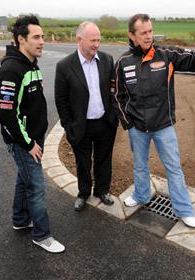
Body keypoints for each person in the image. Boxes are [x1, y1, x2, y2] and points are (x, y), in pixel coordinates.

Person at [113, 13, 195, 228]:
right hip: (138, 128)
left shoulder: (166, 54)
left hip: (163, 126)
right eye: (143, 33)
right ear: (132, 36)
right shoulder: (123, 62)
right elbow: (117, 96)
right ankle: (141, 195)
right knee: (140, 165)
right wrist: (128, 122)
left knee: (173, 168)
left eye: (150, 31)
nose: (148, 36)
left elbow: (191, 61)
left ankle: (184, 209)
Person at [0, 15, 65, 253]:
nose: (42, 41)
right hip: (24, 141)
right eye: (36, 37)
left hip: (34, 137)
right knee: (36, 186)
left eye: (42, 36)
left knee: (23, 179)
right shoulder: (11, 70)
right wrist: (28, 144)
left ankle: (20, 219)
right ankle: (42, 235)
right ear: (20, 40)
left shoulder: (31, 64)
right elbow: (7, 115)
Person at [55, 21, 117, 211]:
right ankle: (83, 193)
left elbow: (114, 91)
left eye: (98, 40)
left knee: (104, 159)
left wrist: (113, 115)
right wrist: (68, 125)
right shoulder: (65, 66)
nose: (96, 44)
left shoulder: (107, 60)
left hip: (105, 123)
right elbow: (61, 99)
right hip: (80, 125)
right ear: (79, 39)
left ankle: (102, 190)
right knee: (82, 162)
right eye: (92, 40)